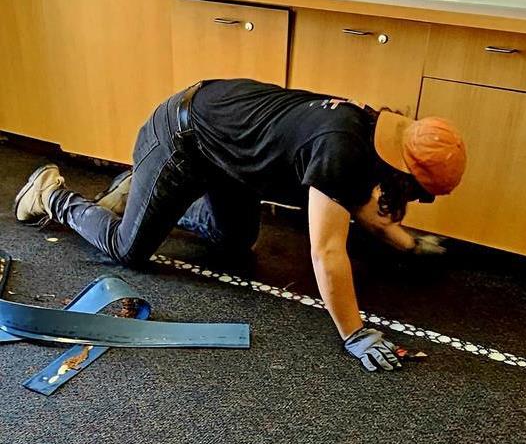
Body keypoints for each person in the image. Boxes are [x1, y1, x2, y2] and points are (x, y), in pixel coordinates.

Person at [14, 79, 466, 372]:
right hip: (181, 137)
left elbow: (366, 208)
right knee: (129, 249)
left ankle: (144, 193)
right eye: (419, 192)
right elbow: (327, 251)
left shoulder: (375, 133)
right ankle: (52, 196)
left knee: (235, 241)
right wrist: (354, 332)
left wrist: (409, 246)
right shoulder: (341, 151)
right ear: (404, 173)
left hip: (227, 154)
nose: (416, 200)